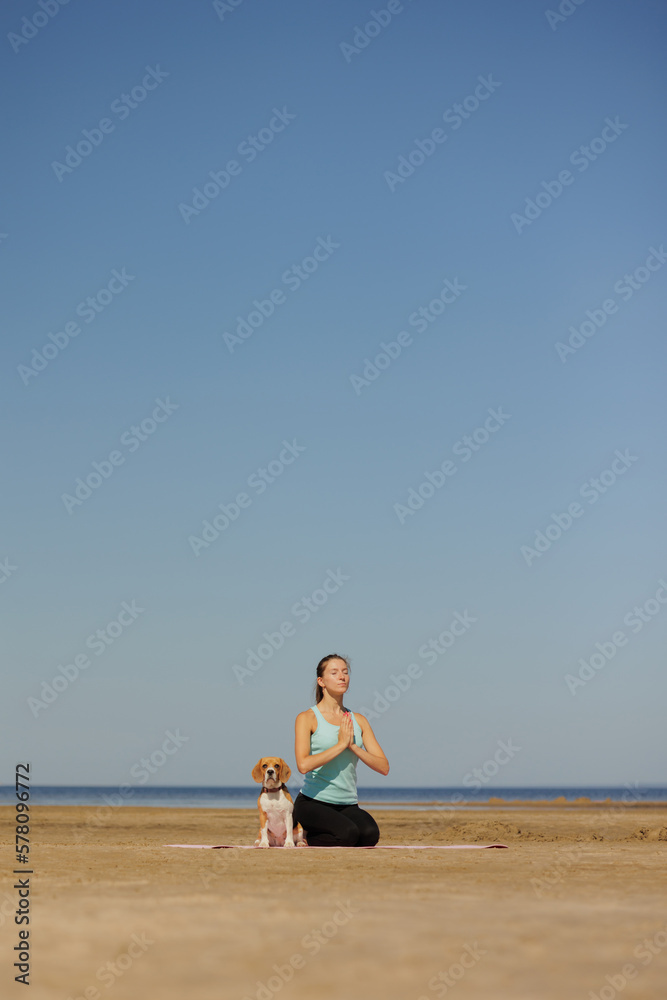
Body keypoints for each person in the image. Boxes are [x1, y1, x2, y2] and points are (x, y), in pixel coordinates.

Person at [292, 654, 389, 847]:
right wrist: (339, 745)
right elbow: (303, 765)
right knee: (348, 835)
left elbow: (383, 767)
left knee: (369, 835)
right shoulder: (307, 718)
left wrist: (352, 745)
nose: (342, 676)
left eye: (345, 672)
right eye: (334, 672)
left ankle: (312, 835)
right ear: (321, 681)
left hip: (347, 804)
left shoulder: (359, 720)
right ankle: (302, 836)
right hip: (313, 802)